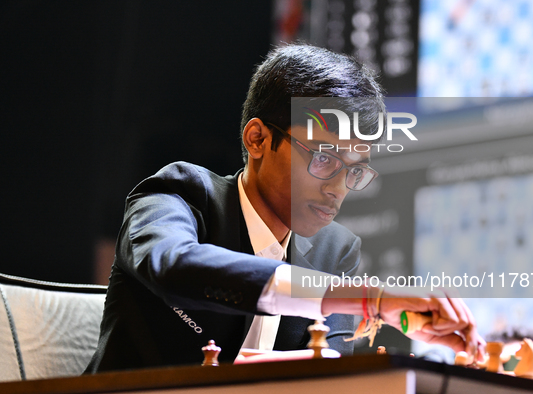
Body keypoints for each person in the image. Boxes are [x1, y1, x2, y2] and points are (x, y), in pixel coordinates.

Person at [85, 43, 484, 373]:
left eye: (354, 171)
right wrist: (371, 299)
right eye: (324, 158)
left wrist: (400, 319)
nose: (338, 189)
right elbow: (173, 266)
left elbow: (328, 369)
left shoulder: (335, 251)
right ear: (257, 139)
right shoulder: (181, 195)